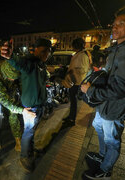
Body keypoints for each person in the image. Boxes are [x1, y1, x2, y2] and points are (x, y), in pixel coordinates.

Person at [81, 14, 125, 179]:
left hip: (114, 108)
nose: (114, 27)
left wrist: (91, 91)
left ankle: (105, 170)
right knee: (97, 125)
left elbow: (120, 89)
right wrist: (98, 74)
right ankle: (102, 154)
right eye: (114, 24)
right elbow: (109, 73)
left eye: (121, 24)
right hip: (104, 104)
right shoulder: (117, 48)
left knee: (112, 141)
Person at [1, 38, 51, 172]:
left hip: (39, 105)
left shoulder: (41, 64)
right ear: (36, 50)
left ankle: (30, 150)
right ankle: (24, 156)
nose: (46, 54)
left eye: (48, 51)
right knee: (28, 133)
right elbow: (18, 62)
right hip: (31, 107)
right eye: (43, 51)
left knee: (32, 131)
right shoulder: (30, 63)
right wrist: (10, 56)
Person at [0, 61, 36, 152]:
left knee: (14, 117)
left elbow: (20, 85)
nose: (13, 80)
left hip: (9, 96)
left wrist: (25, 99)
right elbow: (4, 101)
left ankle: (18, 141)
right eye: (11, 78)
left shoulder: (14, 71)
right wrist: (22, 110)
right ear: (5, 74)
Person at [62, 38, 91, 127]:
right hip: (76, 81)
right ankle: (71, 116)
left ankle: (72, 120)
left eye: (73, 46)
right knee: (72, 101)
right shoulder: (80, 54)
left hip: (77, 82)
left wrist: (71, 73)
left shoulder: (82, 55)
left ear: (76, 46)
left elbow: (80, 70)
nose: (72, 47)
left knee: (74, 102)